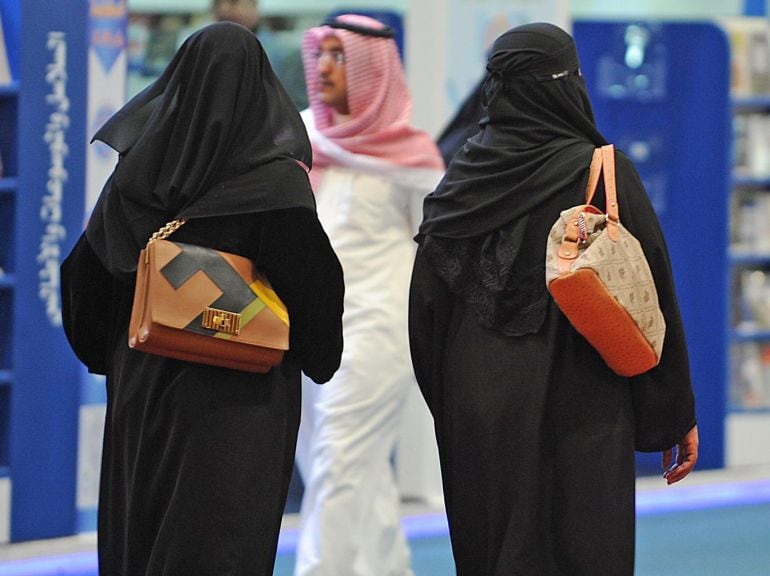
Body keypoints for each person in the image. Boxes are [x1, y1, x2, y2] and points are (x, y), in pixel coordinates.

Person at [408, 22, 699, 576]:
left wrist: (455, 406)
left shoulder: (461, 184)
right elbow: (652, 297)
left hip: (481, 408)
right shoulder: (602, 172)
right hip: (585, 405)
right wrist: (671, 413)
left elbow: (425, 312)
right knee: (582, 547)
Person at [60, 22, 344, 575]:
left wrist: (119, 360)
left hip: (143, 392)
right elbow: (316, 295)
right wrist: (317, 358)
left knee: (141, 532)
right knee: (220, 540)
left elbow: (83, 279)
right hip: (237, 400)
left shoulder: (134, 178)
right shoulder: (274, 190)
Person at [293, 13, 445, 576]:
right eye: (322, 54)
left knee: (339, 460)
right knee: (343, 465)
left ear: (370, 67)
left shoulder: (412, 157)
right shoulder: (301, 138)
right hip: (308, 329)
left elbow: (430, 251)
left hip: (379, 329)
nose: (326, 67)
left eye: (340, 55)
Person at [211, 0, 308, 110]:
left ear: (254, 5)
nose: (223, 9)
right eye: (216, 4)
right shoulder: (202, 52)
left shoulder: (283, 56)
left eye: (234, 2)